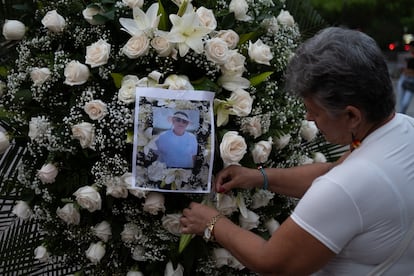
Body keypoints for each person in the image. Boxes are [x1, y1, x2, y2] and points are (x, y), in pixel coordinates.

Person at [180, 27, 414, 275]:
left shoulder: (345, 187)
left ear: (352, 115)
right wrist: (258, 177)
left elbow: (272, 262)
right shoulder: (403, 127)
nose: (309, 118)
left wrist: (212, 223)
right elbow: (332, 170)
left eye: (315, 111)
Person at [398, 41, 414, 114]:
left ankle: (402, 114)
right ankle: (401, 115)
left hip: (412, 81)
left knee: (405, 102)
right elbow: (401, 69)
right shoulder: (405, 56)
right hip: (404, 78)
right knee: (401, 102)